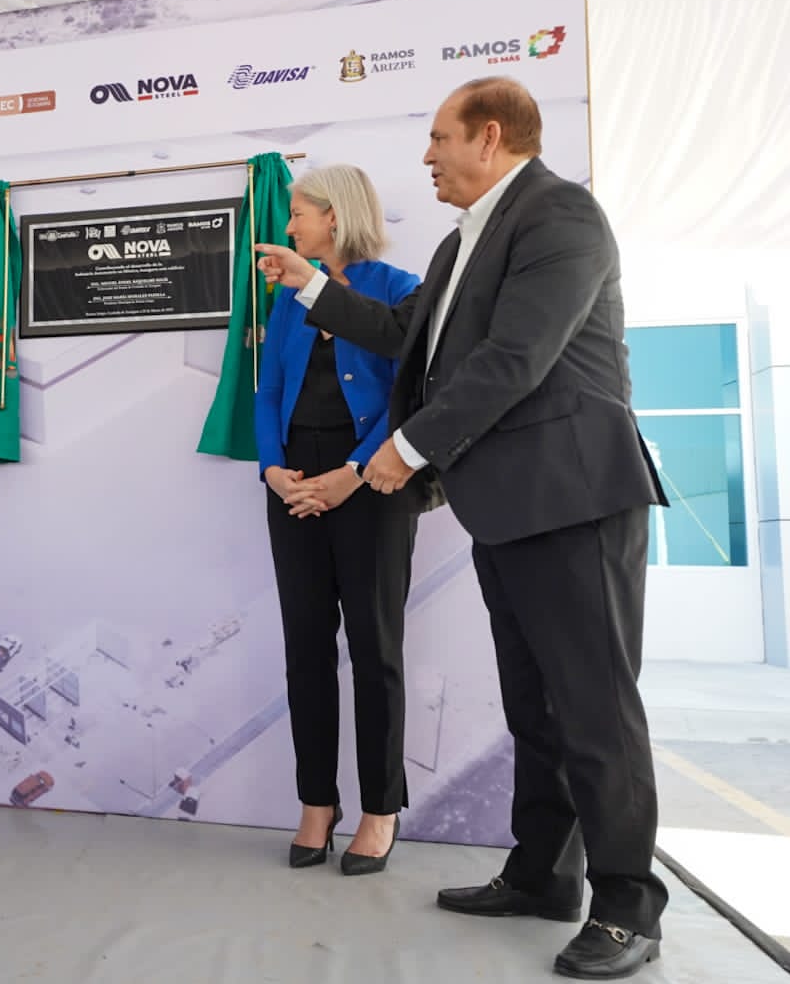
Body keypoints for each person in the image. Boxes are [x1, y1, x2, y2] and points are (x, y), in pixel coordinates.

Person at [256, 77, 667, 980]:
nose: (428, 156)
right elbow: (401, 332)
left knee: (594, 706)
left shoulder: (561, 217)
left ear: (489, 136)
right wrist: (310, 283)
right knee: (535, 705)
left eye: (440, 138)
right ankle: (543, 874)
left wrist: (401, 450)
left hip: (575, 497)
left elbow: (515, 358)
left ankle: (628, 906)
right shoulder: (459, 244)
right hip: (507, 502)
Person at [253, 165, 419, 876]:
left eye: (299, 213)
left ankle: (380, 809)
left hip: (372, 480)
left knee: (376, 649)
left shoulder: (401, 288)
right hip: (294, 482)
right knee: (306, 649)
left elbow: (409, 396)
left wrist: (352, 471)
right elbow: (267, 390)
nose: (290, 226)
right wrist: (272, 468)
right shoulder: (290, 294)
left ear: (335, 215)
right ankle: (316, 803)